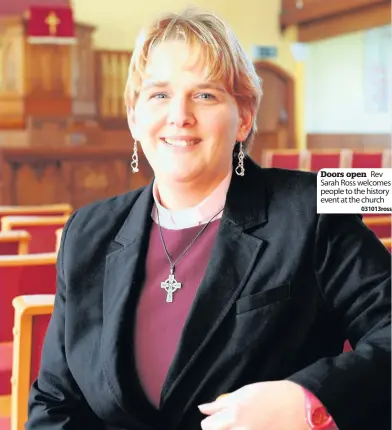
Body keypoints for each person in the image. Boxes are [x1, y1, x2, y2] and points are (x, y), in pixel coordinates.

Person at [27, 7, 391, 430]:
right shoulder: (86, 232)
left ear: (244, 118)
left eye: (205, 95)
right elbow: (55, 404)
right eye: (159, 94)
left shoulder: (316, 207)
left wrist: (311, 400)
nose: (180, 115)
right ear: (134, 116)